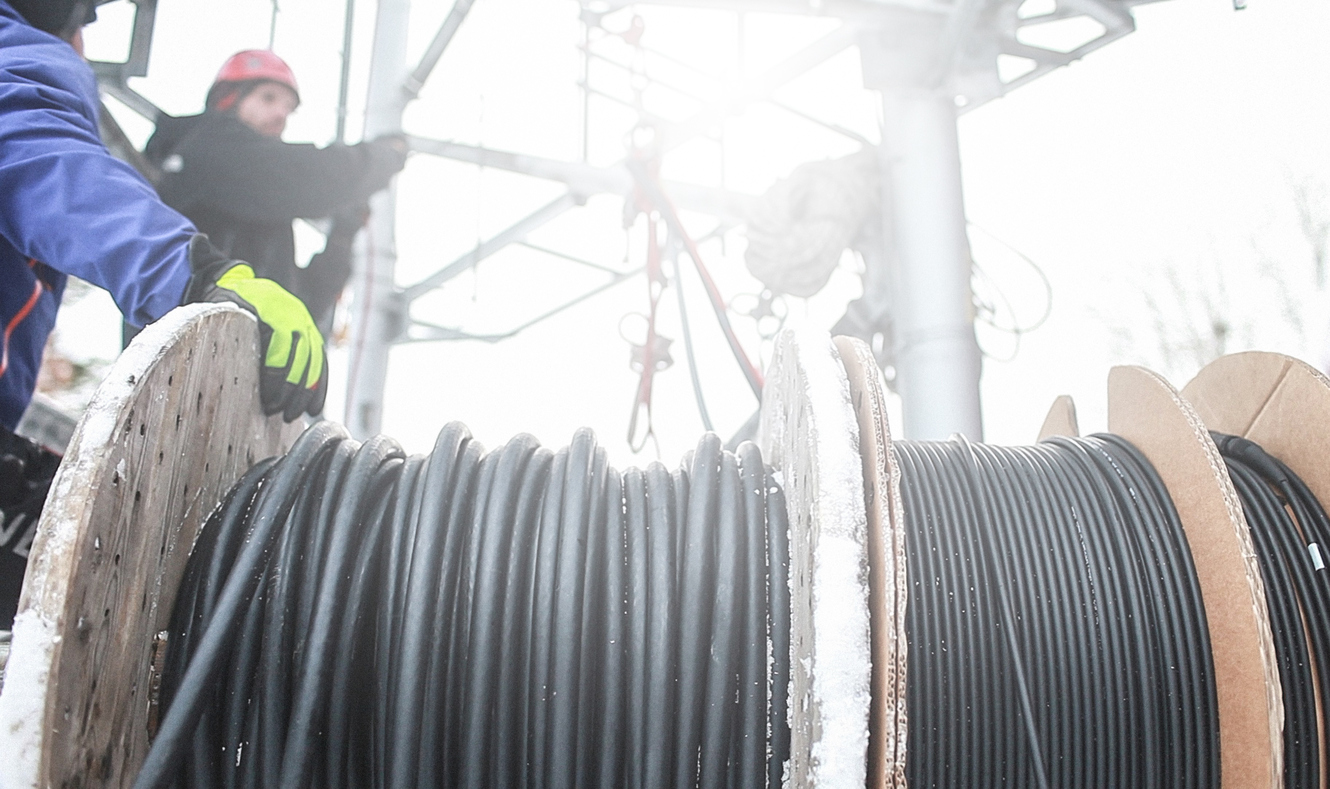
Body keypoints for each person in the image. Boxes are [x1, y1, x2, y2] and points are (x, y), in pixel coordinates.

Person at [0, 0, 330, 627]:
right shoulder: (23, 51)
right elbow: (34, 158)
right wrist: (197, 273)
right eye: (84, 18)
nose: (86, 36)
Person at [140, 50, 408, 337]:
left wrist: (341, 239)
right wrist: (386, 155)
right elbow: (323, 174)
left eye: (289, 108)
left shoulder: (253, 203)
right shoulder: (210, 148)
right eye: (268, 98)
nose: (281, 114)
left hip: (232, 359)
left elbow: (297, 311)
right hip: (189, 353)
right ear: (228, 98)